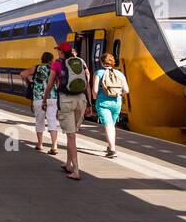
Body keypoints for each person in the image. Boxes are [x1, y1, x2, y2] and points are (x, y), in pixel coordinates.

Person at [47, 41, 89, 181]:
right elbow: (86, 82)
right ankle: (68, 164)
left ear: (61, 52)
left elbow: (50, 83)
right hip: (81, 100)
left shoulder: (57, 64)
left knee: (71, 137)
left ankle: (76, 170)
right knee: (73, 135)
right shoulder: (81, 62)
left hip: (66, 101)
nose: (57, 53)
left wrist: (44, 99)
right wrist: (89, 103)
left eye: (58, 51)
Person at [19, 50, 59, 155]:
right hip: (52, 97)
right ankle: (54, 146)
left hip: (39, 98)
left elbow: (22, 74)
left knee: (39, 121)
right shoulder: (54, 68)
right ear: (51, 60)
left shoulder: (36, 68)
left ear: (42, 59)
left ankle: (40, 144)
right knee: (52, 121)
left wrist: (29, 83)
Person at [91, 53, 128, 158]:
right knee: (112, 125)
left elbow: (95, 90)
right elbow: (126, 90)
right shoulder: (119, 74)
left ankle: (112, 149)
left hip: (103, 103)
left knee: (108, 125)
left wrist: (95, 98)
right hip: (117, 103)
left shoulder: (99, 72)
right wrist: (119, 95)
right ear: (113, 62)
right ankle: (110, 145)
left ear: (102, 62)